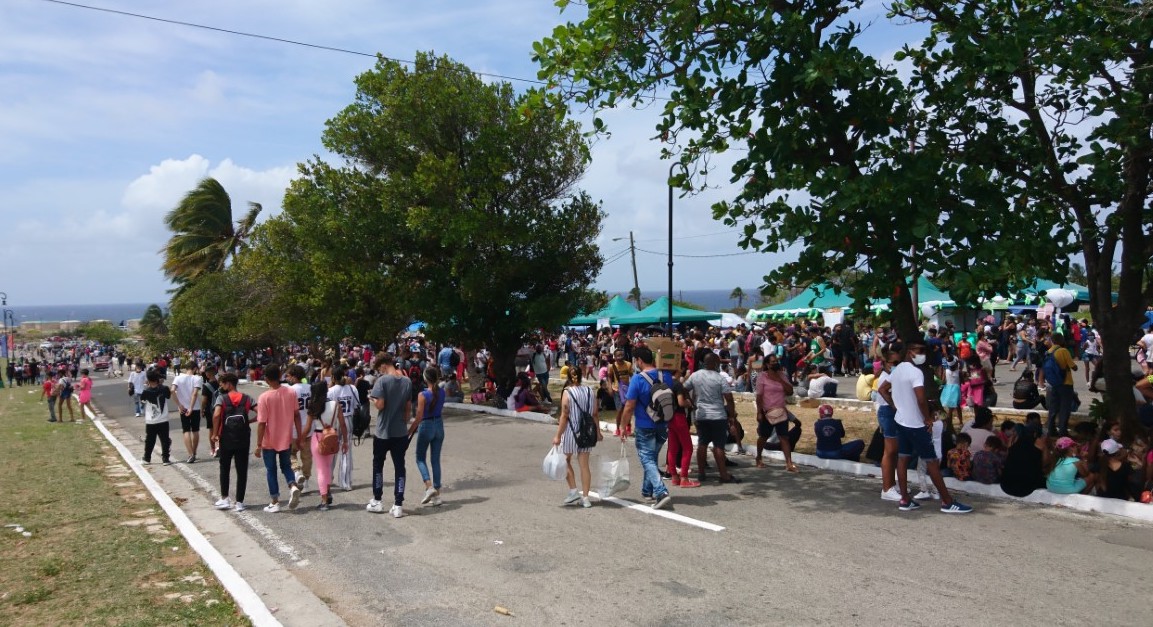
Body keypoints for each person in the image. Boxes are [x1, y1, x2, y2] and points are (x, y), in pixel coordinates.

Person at [878, 338, 972, 513]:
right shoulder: (916, 373)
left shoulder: (897, 371)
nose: (922, 354)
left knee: (903, 458)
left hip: (901, 421)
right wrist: (927, 418)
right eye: (918, 350)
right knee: (932, 461)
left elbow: (883, 389)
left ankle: (905, 499)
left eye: (924, 351)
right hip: (915, 424)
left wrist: (895, 405)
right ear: (909, 352)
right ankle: (947, 501)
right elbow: (921, 398)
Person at [619, 346, 673, 510]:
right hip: (663, 424)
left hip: (644, 425)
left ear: (640, 361)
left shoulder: (638, 379)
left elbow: (629, 406)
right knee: (652, 456)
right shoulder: (666, 376)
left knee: (647, 458)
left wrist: (623, 426)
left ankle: (661, 492)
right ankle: (647, 491)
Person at [368, 353, 413, 518]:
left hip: (383, 431)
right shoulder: (407, 382)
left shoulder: (382, 381)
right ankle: (398, 503)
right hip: (400, 431)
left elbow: (380, 405)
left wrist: (372, 400)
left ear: (383, 365)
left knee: (378, 465)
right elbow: (408, 409)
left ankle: (377, 500)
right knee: (400, 467)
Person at [253, 365, 303, 513]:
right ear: (280, 375)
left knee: (271, 470)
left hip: (269, 440)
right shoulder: (291, 392)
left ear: (266, 379)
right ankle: (292, 485)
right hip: (286, 437)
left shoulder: (264, 397)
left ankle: (275, 501)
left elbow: (262, 423)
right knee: (286, 466)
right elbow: (296, 415)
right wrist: (299, 435)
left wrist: (258, 444)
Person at [553, 365, 603, 507]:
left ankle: (574, 491)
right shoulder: (589, 391)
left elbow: (564, 415)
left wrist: (557, 436)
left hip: (570, 432)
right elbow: (594, 414)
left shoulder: (567, 392)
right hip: (587, 432)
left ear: (568, 377)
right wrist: (598, 432)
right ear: (581, 376)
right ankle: (586, 498)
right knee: (584, 466)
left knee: (565, 460)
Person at [687, 353, 740, 484]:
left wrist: (691, 403)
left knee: (702, 444)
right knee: (719, 446)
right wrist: (732, 416)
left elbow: (683, 388)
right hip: (718, 416)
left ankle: (701, 473)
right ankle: (723, 475)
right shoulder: (719, 378)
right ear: (716, 364)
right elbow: (729, 398)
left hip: (702, 415)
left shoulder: (695, 375)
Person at [211, 373, 254, 511]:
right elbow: (261, 412)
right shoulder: (247, 398)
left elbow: (217, 415)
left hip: (226, 438)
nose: (221, 386)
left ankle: (225, 498)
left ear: (229, 383)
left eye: (223, 383)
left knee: (225, 467)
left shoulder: (221, 398)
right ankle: (239, 502)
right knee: (242, 470)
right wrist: (250, 421)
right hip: (243, 438)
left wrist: (215, 433)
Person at [754, 353, 798, 472]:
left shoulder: (782, 375)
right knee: (764, 436)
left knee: (784, 437)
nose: (775, 363)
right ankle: (758, 457)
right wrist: (759, 412)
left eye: (776, 361)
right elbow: (759, 396)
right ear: (767, 364)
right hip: (766, 411)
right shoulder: (762, 376)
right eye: (772, 362)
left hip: (781, 411)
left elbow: (789, 391)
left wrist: (780, 380)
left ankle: (789, 463)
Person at [305, 380, 345, 511]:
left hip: (318, 438)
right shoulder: (335, 404)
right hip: (332, 438)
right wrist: (345, 441)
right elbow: (343, 424)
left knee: (321, 470)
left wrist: (299, 439)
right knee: (327, 467)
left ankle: (324, 500)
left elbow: (307, 428)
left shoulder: (313, 407)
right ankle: (327, 493)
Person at [414, 367, 447, 507]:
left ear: (425, 378)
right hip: (439, 424)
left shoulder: (422, 395)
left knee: (420, 457)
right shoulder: (442, 392)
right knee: (435, 460)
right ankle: (437, 494)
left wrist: (411, 429)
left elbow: (419, 416)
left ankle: (429, 486)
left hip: (426, 425)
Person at [664, 366, 699, 488]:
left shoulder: (666, 383)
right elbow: (681, 402)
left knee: (672, 449)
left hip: (669, 417)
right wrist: (688, 403)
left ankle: (674, 476)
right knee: (687, 448)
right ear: (677, 370)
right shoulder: (677, 385)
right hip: (679, 417)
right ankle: (684, 477)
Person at [327, 367, 360, 491]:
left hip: (334, 420)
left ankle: (328, 478)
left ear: (333, 378)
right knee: (346, 450)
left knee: (331, 450)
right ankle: (345, 482)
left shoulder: (331, 391)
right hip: (348, 419)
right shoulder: (352, 388)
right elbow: (356, 406)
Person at [1043, 333, 1077, 436]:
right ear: (1062, 341)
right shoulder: (1063, 351)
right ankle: (1063, 430)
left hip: (1054, 383)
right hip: (1065, 382)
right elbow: (1074, 366)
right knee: (1064, 408)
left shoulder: (1048, 352)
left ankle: (1051, 429)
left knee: (1053, 407)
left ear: (1052, 341)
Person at [171, 362, 203, 463]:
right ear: (194, 369)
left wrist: (179, 405)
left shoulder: (178, 378)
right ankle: (194, 452)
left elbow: (172, 391)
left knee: (186, 431)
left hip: (183, 408)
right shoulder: (197, 378)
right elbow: (195, 394)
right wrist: (191, 407)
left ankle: (190, 454)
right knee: (195, 431)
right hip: (195, 408)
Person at [287, 366, 312, 494]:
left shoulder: (290, 390)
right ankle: (306, 481)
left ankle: (297, 472)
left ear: (294, 376)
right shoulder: (310, 388)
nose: (287, 378)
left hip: (294, 427)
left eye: (289, 376)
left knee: (290, 453)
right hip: (308, 426)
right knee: (307, 455)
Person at [139, 370, 173, 466]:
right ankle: (165, 459)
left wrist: (147, 386)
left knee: (150, 440)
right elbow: (169, 396)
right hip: (163, 418)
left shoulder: (146, 391)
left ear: (148, 379)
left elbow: (142, 401)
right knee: (165, 439)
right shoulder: (164, 388)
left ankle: (147, 458)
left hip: (151, 420)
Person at [608, 350, 633, 437]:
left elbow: (632, 376)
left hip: (627, 390)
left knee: (627, 409)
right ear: (614, 357)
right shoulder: (612, 366)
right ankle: (618, 428)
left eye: (622, 355)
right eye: (618, 355)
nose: (620, 357)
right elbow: (609, 378)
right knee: (619, 410)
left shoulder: (628, 364)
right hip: (617, 390)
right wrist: (610, 388)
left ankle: (628, 426)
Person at [200, 366, 220, 457]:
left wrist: (202, 410)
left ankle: (212, 449)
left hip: (210, 410)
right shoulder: (221, 383)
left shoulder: (206, 386)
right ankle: (220, 447)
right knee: (221, 428)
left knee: (211, 430)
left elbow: (204, 400)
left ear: (208, 374)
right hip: (221, 409)